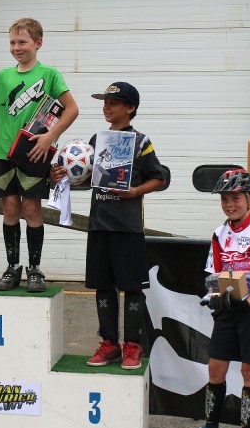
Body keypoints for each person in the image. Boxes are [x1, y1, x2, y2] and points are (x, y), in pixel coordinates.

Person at [51, 82, 166, 370]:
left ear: (130, 108)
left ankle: (133, 347)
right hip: (99, 225)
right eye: (104, 102)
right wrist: (63, 176)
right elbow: (90, 178)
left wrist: (134, 192)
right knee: (103, 286)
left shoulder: (141, 142)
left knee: (133, 289)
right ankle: (110, 344)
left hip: (127, 228)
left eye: (113, 103)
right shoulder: (97, 139)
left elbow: (160, 178)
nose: (106, 106)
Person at [0, 17, 79, 293]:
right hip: (2, 152)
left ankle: (35, 269)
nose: (17, 47)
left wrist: (51, 136)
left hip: (34, 153)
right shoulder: (1, 76)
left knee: (32, 209)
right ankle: (12, 267)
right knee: (10, 209)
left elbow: (72, 109)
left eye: (23, 42)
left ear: (38, 43)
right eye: (12, 42)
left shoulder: (49, 74)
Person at [179, 169, 250, 428]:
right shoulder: (219, 234)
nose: (229, 204)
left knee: (248, 370)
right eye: (224, 199)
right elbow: (215, 273)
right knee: (215, 368)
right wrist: (213, 297)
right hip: (227, 308)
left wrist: (247, 302)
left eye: (235, 198)